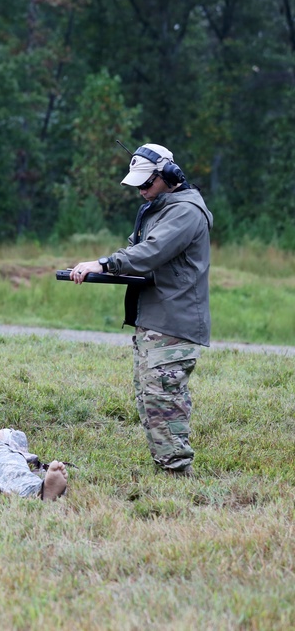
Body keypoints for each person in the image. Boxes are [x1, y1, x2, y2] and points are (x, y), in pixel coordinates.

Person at [69, 143, 212, 477]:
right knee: (151, 398)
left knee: (164, 398)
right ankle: (168, 468)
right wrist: (104, 268)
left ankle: (177, 475)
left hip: (173, 322)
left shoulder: (185, 211)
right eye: (138, 185)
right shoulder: (161, 209)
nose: (142, 191)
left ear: (170, 176)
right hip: (155, 319)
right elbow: (139, 252)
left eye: (147, 184)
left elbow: (149, 253)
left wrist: (104, 263)